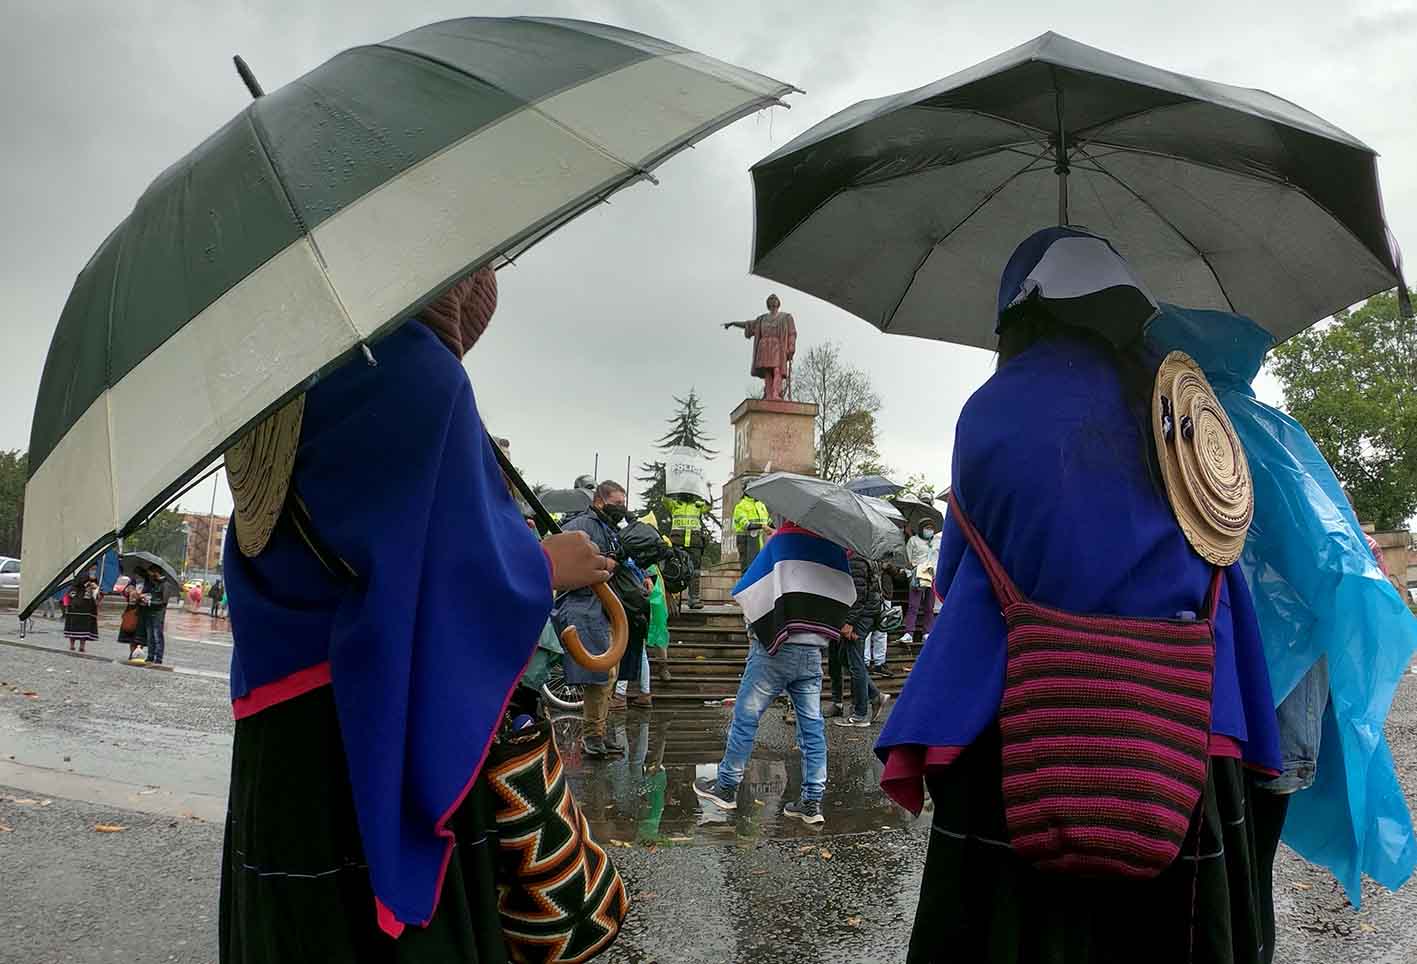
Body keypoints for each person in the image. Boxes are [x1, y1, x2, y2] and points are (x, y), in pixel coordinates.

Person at [877, 228, 1281, 963]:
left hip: (1021, 719)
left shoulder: (994, 407)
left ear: (1020, 313)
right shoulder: (1185, 404)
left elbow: (955, 577)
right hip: (1184, 719)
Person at [217, 266, 614, 961]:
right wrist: (547, 564)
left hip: (279, 731)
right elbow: (445, 576)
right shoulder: (411, 370)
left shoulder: (278, 381)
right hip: (375, 717)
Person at [693, 521, 855, 826]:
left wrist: (775, 546)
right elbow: (842, 594)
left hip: (773, 651)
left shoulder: (784, 539)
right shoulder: (835, 549)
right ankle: (811, 803)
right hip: (811, 654)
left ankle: (726, 788)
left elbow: (754, 587)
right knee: (812, 729)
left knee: (745, 719)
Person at [555, 480, 651, 757]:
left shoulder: (611, 529)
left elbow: (625, 561)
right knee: (601, 674)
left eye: (623, 503)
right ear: (600, 501)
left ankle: (598, 732)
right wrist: (605, 564)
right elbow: (564, 558)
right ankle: (592, 736)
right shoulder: (581, 525)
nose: (622, 509)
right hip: (586, 605)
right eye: (617, 503)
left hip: (610, 610)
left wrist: (640, 575)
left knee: (610, 675)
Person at [836, 553, 888, 727]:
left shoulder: (856, 559)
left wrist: (850, 622)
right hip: (865, 614)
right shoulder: (864, 555)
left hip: (860, 617)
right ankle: (875, 695)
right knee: (843, 657)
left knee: (855, 663)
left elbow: (858, 594)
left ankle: (860, 714)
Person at [722, 293, 798, 401]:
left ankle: (776, 393)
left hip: (777, 347)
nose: (773, 301)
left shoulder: (786, 317)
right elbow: (748, 324)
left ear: (778, 303)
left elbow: (792, 333)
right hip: (764, 346)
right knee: (767, 371)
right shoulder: (762, 319)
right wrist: (733, 323)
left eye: (775, 299)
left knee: (777, 370)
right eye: (771, 299)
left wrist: (791, 346)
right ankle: (769, 394)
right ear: (768, 304)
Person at [664, 492, 711, 608]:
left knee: (695, 572)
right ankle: (674, 600)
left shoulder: (698, 506)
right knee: (674, 571)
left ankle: (694, 600)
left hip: (694, 543)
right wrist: (671, 490)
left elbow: (709, 506)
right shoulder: (674, 504)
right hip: (678, 542)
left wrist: (706, 492)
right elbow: (664, 499)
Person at [900, 523, 937, 644]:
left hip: (931, 576)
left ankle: (927, 632)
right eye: (927, 528)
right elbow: (907, 558)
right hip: (917, 574)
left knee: (929, 607)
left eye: (931, 528)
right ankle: (909, 632)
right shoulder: (913, 540)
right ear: (921, 528)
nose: (929, 530)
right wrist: (910, 574)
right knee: (913, 606)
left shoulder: (935, 541)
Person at [732, 489, 773, 570]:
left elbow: (768, 521)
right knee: (748, 568)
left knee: (758, 567)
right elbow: (746, 525)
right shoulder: (740, 506)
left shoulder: (761, 505)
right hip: (745, 541)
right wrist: (763, 526)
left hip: (758, 540)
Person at [63, 570, 100, 654]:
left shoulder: (91, 584)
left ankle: (82, 646)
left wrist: (95, 588)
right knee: (74, 626)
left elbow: (95, 594)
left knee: (85, 627)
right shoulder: (76, 585)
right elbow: (72, 593)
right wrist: (89, 583)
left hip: (87, 608)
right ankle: (72, 645)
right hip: (76, 607)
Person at [140, 566, 169, 666]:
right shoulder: (154, 584)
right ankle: (150, 656)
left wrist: (150, 602)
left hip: (158, 614)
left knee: (157, 636)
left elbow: (164, 601)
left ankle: (158, 657)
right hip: (149, 612)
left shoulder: (165, 585)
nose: (150, 575)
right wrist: (145, 598)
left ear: (156, 572)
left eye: (151, 573)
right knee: (150, 636)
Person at [117, 579, 145, 660]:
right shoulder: (132, 582)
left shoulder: (148, 583)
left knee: (140, 635)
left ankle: (137, 653)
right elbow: (125, 593)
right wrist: (129, 592)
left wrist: (141, 596)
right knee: (131, 632)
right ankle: (132, 653)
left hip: (142, 611)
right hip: (131, 610)